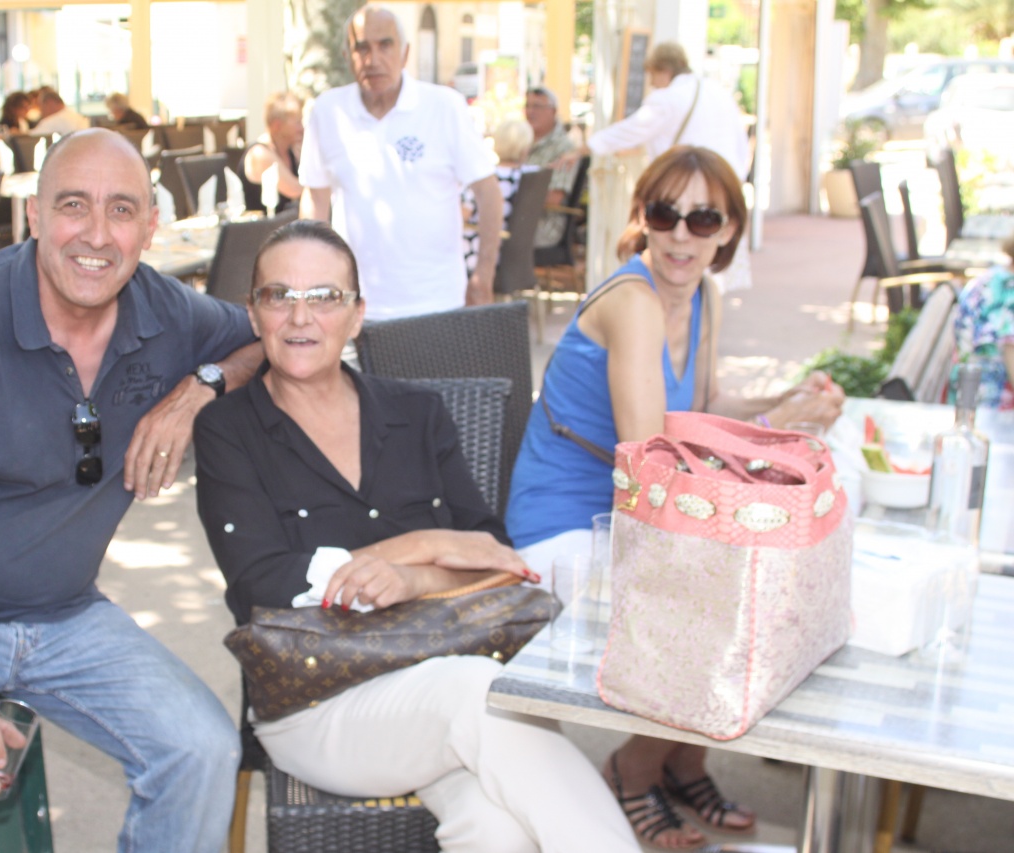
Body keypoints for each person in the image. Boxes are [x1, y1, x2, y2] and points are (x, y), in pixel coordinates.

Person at [0, 128, 262, 853]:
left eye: (121, 209)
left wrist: (198, 389)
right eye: (72, 205)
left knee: (201, 748)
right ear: (33, 216)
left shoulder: (167, 313)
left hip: (62, 614)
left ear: (150, 227)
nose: (96, 234)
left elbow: (262, 340)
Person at [193, 219, 641, 853]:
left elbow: (498, 559)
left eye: (325, 297)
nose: (300, 316)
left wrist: (412, 573)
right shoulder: (227, 430)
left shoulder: (416, 412)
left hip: (435, 677)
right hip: (318, 705)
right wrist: (426, 544)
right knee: (480, 694)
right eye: (279, 295)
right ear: (254, 312)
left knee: (498, 830)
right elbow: (260, 585)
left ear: (356, 315)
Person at [505, 146, 844, 850]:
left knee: (763, 580)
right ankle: (634, 768)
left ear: (729, 229)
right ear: (643, 219)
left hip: (630, 513)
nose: (682, 235)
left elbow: (705, 405)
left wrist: (788, 404)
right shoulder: (634, 304)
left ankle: (684, 760)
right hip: (567, 522)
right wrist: (767, 443)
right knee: (723, 598)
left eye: (703, 219)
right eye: (665, 215)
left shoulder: (703, 297)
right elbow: (652, 464)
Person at [299, 4, 503, 320]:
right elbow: (315, 199)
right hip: (352, 306)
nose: (373, 59)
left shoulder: (444, 107)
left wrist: (483, 276)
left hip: (436, 303)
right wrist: (314, 279)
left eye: (385, 45)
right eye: (362, 48)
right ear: (347, 56)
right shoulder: (328, 111)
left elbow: (488, 194)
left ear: (405, 53)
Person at [584, 42, 753, 292]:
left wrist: (587, 146)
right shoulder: (717, 91)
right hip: (725, 193)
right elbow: (742, 146)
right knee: (708, 277)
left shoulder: (667, 99)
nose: (652, 84)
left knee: (680, 271)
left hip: (689, 194)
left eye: (652, 76)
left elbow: (630, 130)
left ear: (663, 70)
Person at [463, 117, 537, 273]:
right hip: (516, 253)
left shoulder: (485, 178)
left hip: (481, 253)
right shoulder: (532, 175)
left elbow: (463, 214)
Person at [952, 231, 1014, 408]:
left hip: (966, 393)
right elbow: (1011, 352)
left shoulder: (992, 277)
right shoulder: (1008, 293)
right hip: (991, 404)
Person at [524, 86, 582, 264]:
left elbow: (555, 198)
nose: (531, 111)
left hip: (544, 225)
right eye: (527, 106)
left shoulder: (564, 148)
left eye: (537, 106)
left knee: (493, 233)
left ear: (553, 111)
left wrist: (518, 195)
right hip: (521, 217)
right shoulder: (524, 140)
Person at [236, 91, 304, 214]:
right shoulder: (260, 154)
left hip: (283, 223)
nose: (302, 128)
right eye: (297, 123)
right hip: (262, 225)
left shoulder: (291, 151)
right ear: (277, 125)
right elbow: (294, 190)